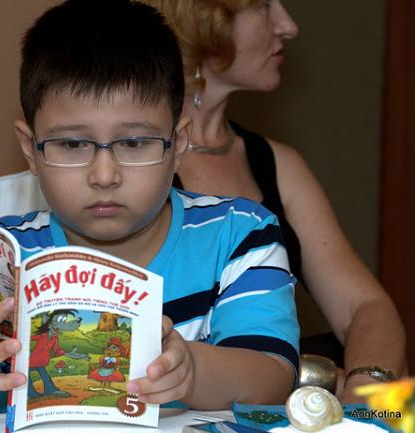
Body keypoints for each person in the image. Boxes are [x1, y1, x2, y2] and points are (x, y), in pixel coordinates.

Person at [0, 0, 300, 415]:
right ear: (30, 149)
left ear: (179, 143)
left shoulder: (239, 235)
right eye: (72, 144)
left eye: (133, 143)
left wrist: (192, 371)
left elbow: (273, 379)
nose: (104, 175)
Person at [141, 0, 407, 401]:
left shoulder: (278, 163)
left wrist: (367, 391)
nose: (288, 26)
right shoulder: (130, 168)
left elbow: (365, 306)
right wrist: (316, 375)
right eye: (264, 5)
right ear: (202, 18)